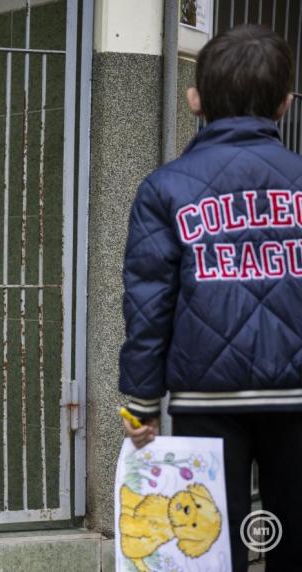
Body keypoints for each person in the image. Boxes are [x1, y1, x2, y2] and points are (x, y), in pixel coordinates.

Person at [118, 25, 300, 572]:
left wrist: (141, 402)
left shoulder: (165, 188)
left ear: (194, 101)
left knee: (208, 544)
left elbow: (149, 305)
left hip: (206, 400)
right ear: (286, 102)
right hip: (298, 401)